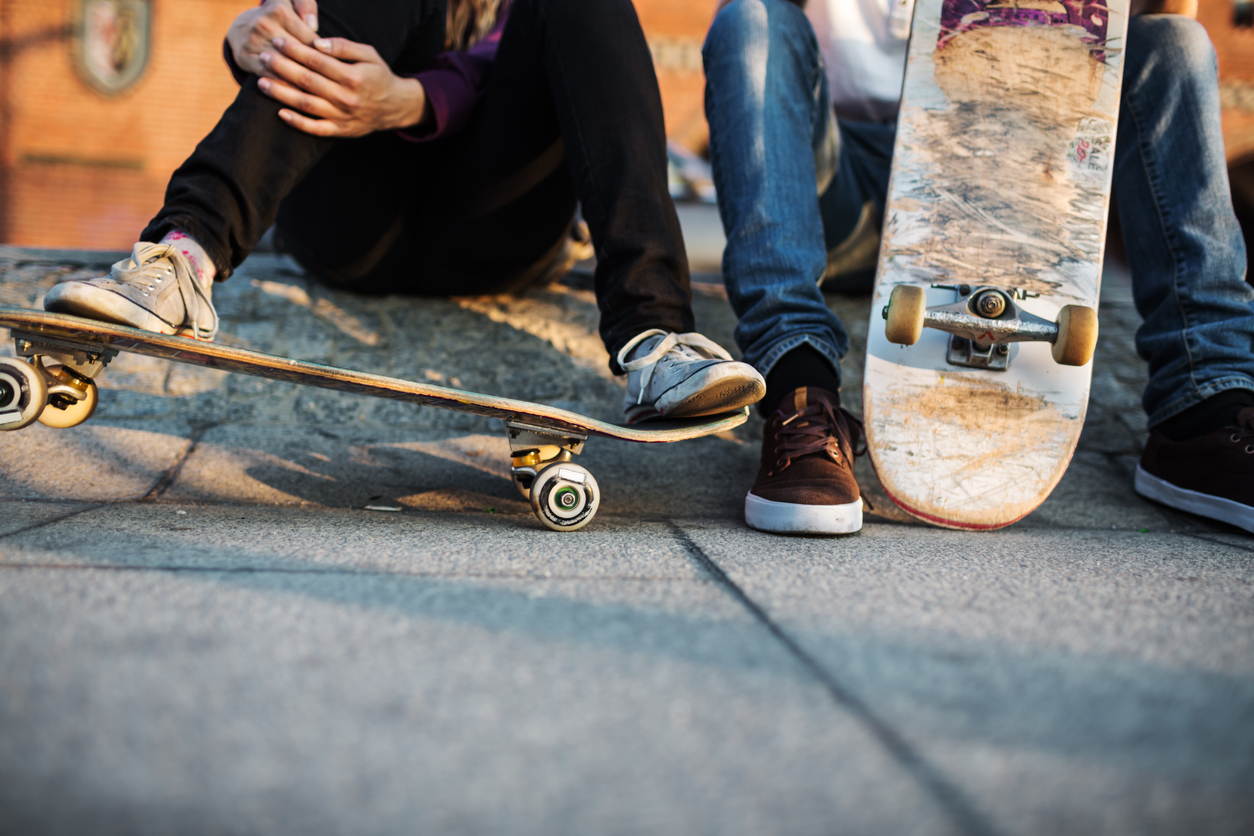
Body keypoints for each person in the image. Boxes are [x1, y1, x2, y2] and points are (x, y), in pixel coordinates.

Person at [45, 0, 766, 424]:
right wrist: (249, 37)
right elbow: (310, 18)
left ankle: (655, 337)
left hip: (500, 219)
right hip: (349, 218)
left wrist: (414, 101)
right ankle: (183, 256)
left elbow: (505, 60)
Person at [703, 0, 1254, 534]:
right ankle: (800, 395)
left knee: (1171, 43)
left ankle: (1204, 405)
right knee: (752, 19)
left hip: (1005, 186)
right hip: (834, 186)